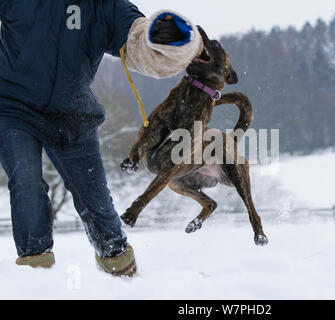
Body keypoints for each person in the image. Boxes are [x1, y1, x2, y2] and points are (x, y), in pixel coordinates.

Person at [0, 0, 203, 277]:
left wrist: (167, 40)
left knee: (93, 199)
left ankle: (120, 268)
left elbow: (137, 42)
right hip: (13, 107)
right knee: (25, 182)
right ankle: (36, 276)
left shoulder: (102, 7)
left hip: (73, 113)